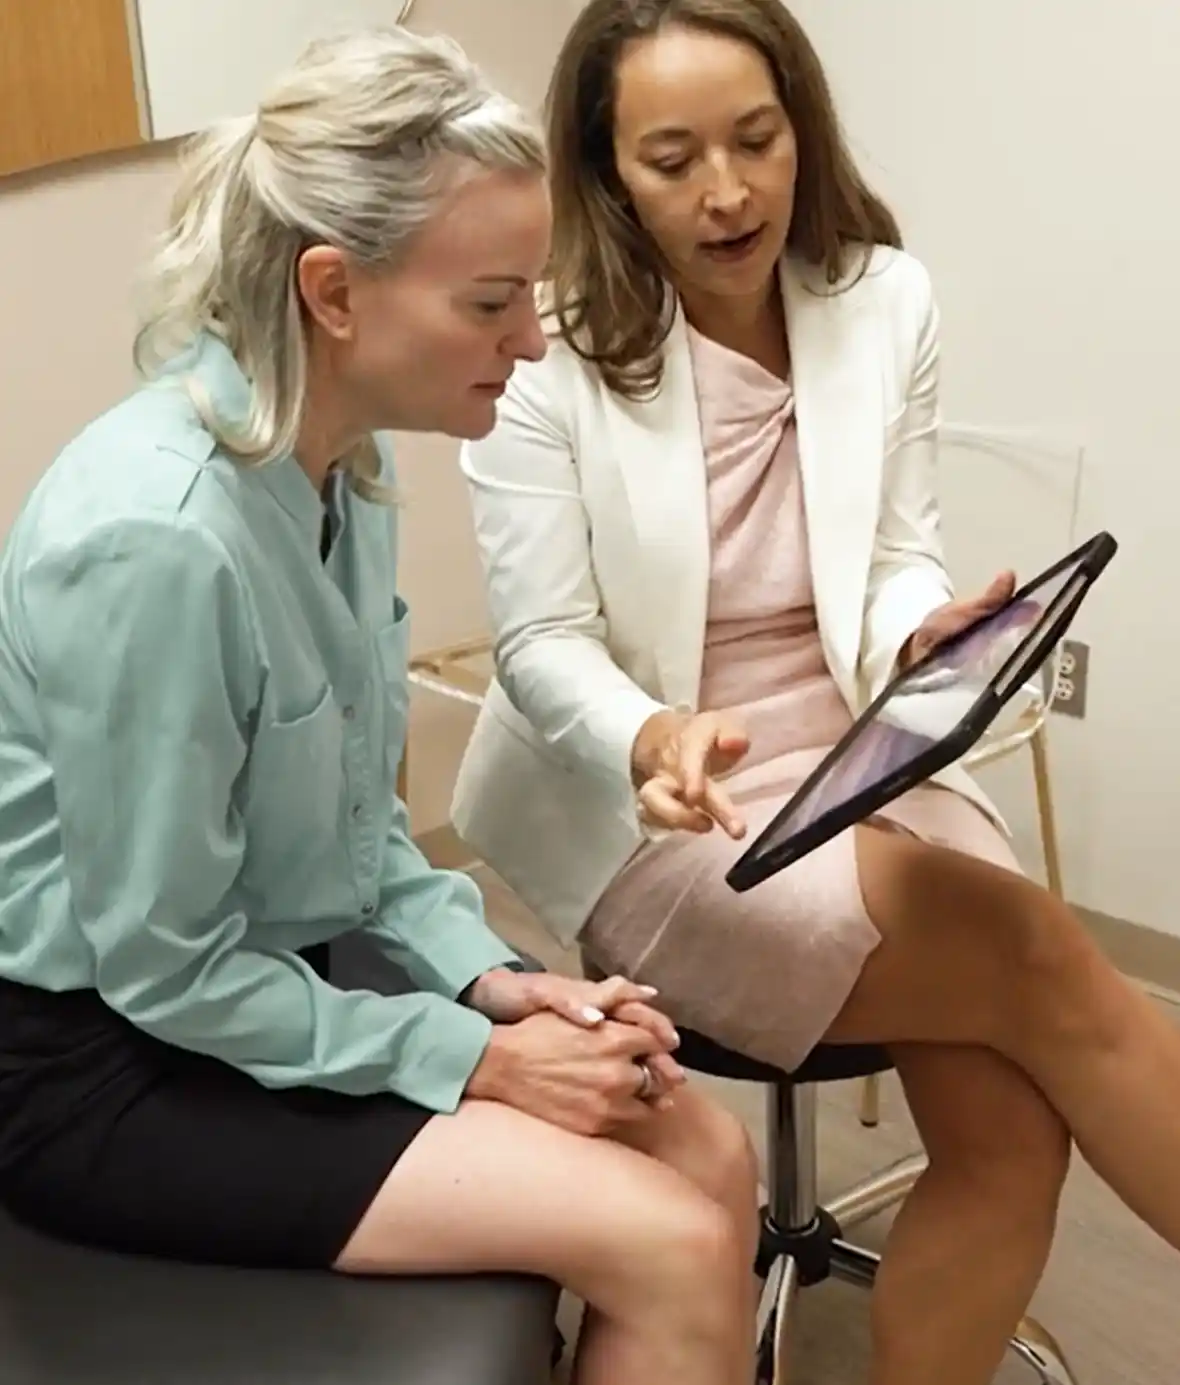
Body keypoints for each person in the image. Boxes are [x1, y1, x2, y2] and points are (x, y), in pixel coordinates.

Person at [0, 27, 761, 1385]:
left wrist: (489, 978)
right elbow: (162, 970)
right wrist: (475, 1057)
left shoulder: (340, 468)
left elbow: (358, 835)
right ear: (334, 291)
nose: (532, 340)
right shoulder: (158, 541)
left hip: (269, 972)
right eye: (492, 303)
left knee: (705, 1148)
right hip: (104, 1060)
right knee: (670, 1238)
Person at [451, 2, 1180, 1383]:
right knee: (1039, 953)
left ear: (805, 128)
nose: (728, 192)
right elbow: (542, 643)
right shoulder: (552, 349)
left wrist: (922, 639)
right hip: (676, 804)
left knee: (1013, 1136)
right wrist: (654, 733)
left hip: (865, 750)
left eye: (757, 140)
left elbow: (897, 557)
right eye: (673, 160)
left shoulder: (880, 298)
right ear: (609, 173)